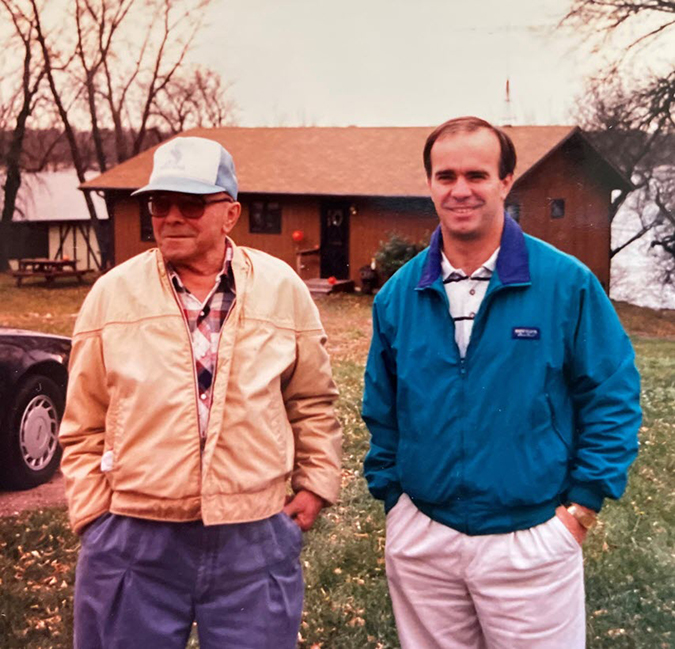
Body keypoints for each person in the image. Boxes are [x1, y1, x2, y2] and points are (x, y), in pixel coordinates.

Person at [362, 116, 641, 648]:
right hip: (425, 537)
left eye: (477, 174)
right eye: (445, 176)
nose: (460, 190)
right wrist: (395, 501)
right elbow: (382, 407)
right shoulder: (399, 294)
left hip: (531, 537)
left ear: (506, 181)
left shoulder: (565, 283)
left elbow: (612, 397)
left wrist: (580, 509)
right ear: (429, 184)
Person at [60, 136, 342, 649]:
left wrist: (316, 482)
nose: (170, 217)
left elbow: (312, 402)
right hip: (133, 533)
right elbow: (82, 420)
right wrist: (94, 515)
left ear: (230, 213)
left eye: (190, 205)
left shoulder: (281, 289)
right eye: (159, 204)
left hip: (253, 532)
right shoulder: (112, 294)